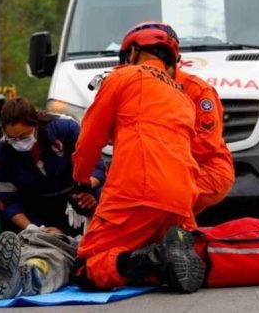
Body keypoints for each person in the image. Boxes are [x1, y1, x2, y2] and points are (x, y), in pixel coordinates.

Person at [72, 22, 204, 293]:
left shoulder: (123, 77)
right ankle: (161, 257)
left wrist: (81, 180)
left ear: (132, 52)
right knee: (136, 251)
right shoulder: (184, 99)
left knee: (86, 268)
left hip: (136, 194)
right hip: (182, 200)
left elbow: (89, 139)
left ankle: (158, 258)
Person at [0, 98, 105, 237]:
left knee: (102, 195)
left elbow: (97, 167)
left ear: (36, 124)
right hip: (39, 208)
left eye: (24, 136)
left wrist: (81, 191)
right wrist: (33, 228)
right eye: (13, 138)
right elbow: (7, 200)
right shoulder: (3, 151)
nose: (19, 142)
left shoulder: (66, 128)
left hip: (77, 197)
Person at [175, 64, 234, 217]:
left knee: (162, 195)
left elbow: (207, 141)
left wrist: (167, 157)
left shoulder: (195, 88)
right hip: (173, 168)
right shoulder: (137, 84)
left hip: (206, 168)